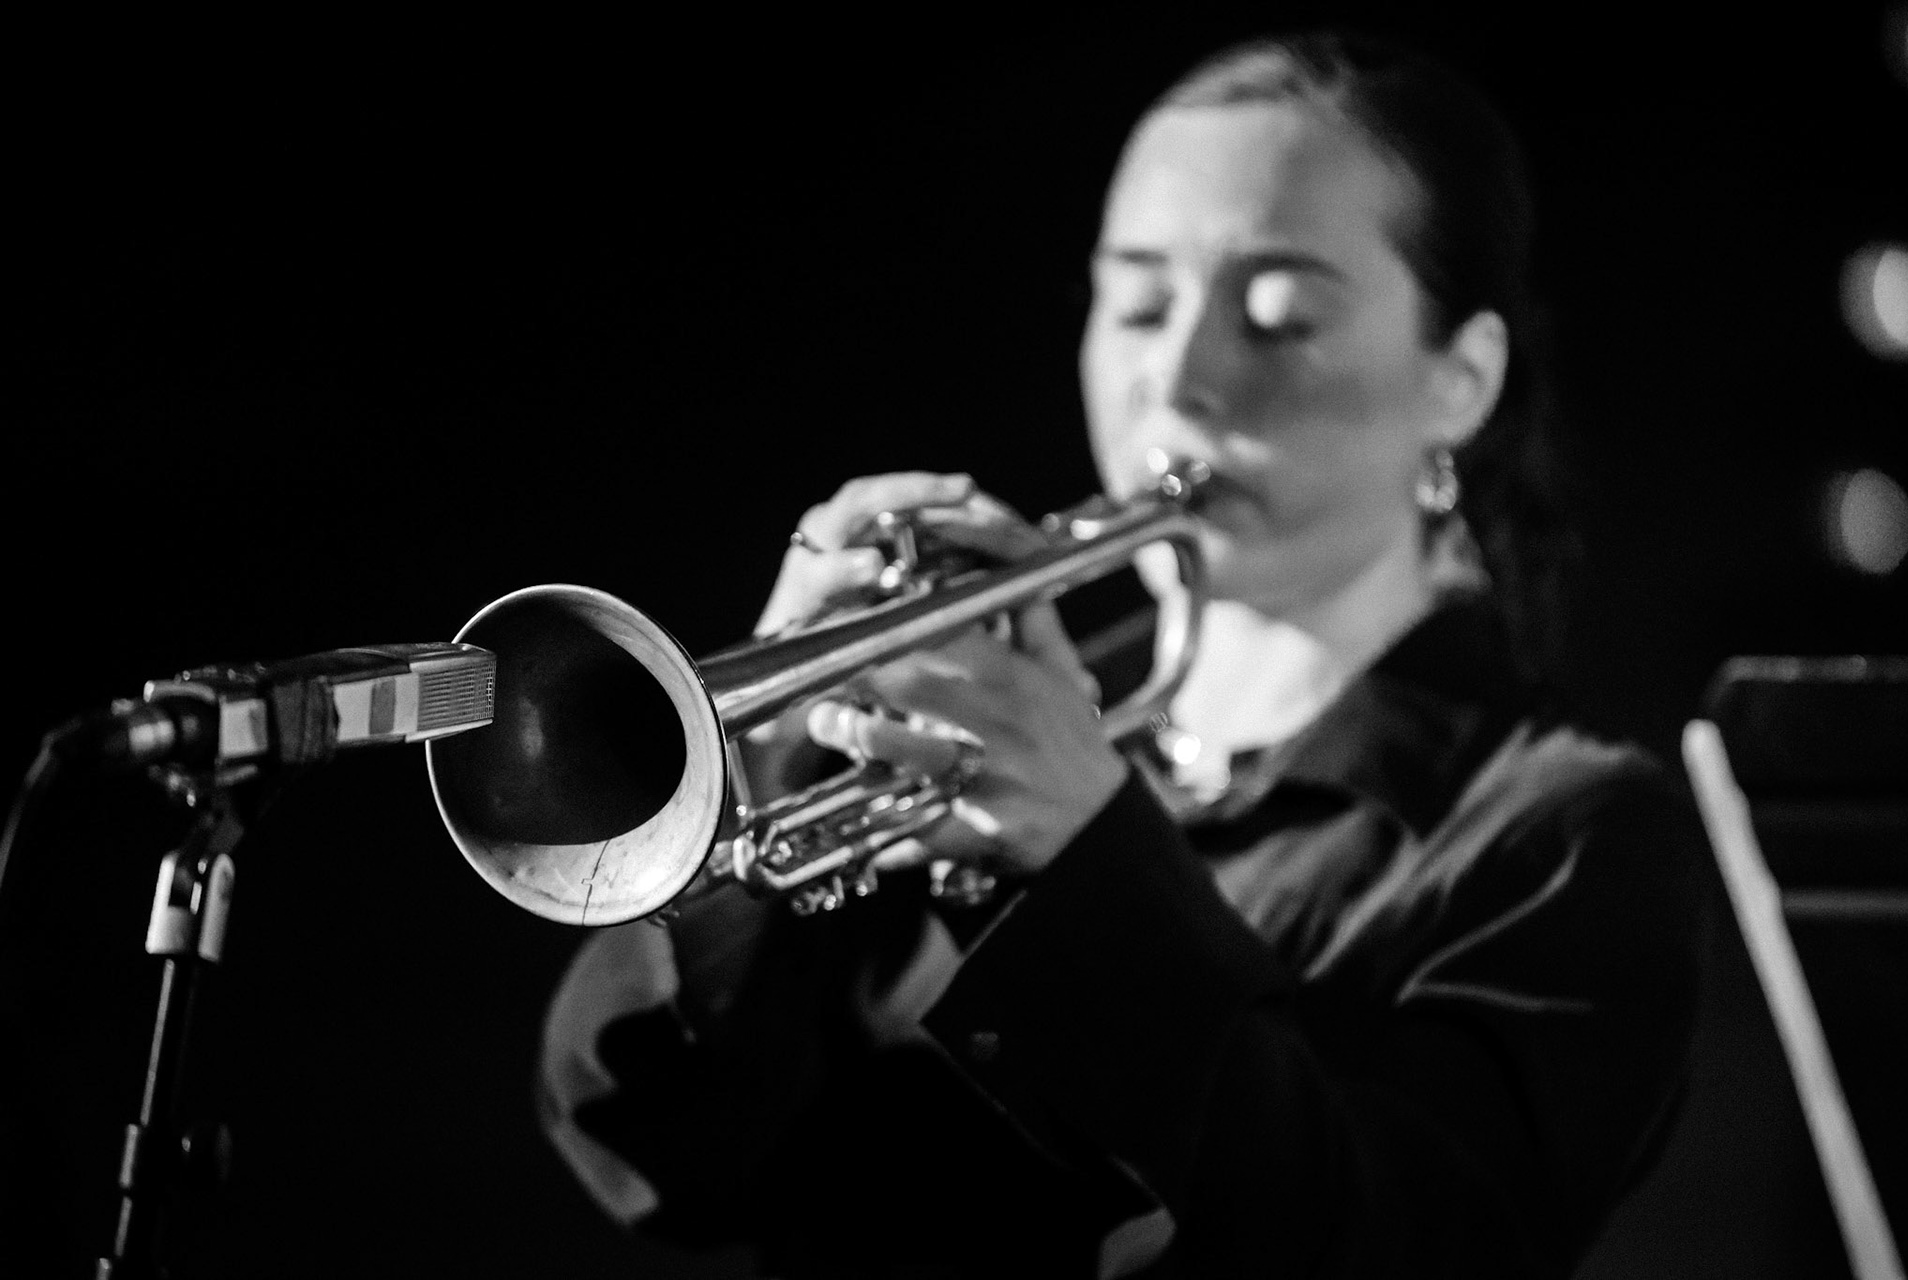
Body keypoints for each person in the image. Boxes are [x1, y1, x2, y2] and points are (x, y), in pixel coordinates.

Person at [538, 30, 1709, 1278]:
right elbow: (661, 1161)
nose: (1178, 373)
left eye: (1279, 316)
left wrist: (1093, 858)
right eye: (1139, 301)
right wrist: (755, 767)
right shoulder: (973, 721)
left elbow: (1400, 1244)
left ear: (1460, 382)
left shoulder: (1566, 830)